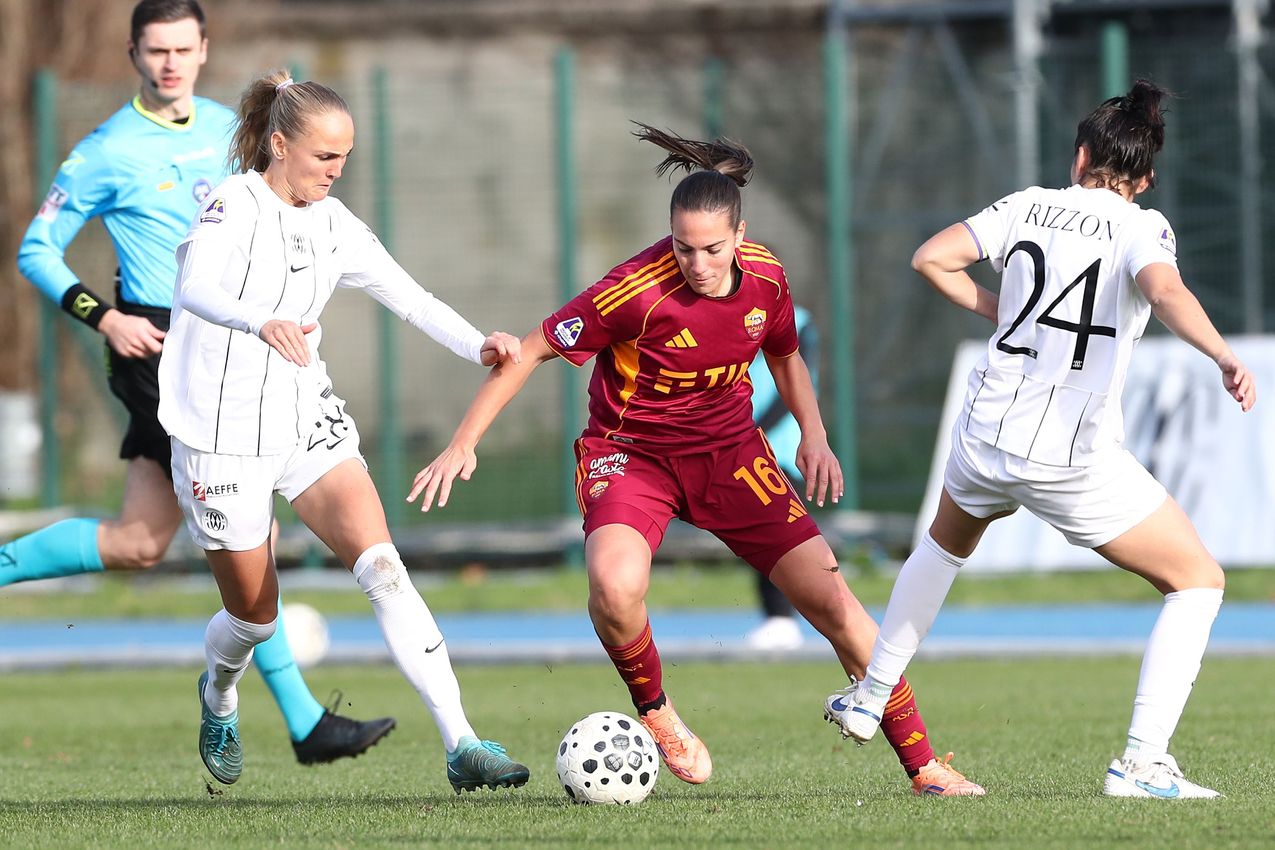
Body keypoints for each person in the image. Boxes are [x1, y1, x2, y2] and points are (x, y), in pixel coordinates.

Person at [409, 124, 984, 796]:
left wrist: (814, 434)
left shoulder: (766, 276)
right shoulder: (633, 290)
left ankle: (925, 768)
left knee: (834, 603)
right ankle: (656, 711)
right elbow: (530, 350)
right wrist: (464, 441)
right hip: (631, 457)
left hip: (730, 452)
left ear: (739, 236)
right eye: (683, 247)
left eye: (712, 248)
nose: (697, 263)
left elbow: (785, 354)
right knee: (614, 589)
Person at [829, 81, 1255, 800]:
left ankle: (871, 695)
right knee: (1197, 582)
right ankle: (1142, 763)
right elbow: (1164, 292)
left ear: (1080, 156)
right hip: (1066, 453)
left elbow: (930, 258)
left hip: (985, 429)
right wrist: (1221, 353)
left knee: (941, 548)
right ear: (1145, 176)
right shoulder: (1142, 227)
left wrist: (1000, 311)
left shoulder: (1025, 204)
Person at [10, 0, 394, 766]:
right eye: (156, 50)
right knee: (253, 533)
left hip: (235, 344)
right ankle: (303, 721)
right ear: (133, 53)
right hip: (158, 348)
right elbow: (36, 249)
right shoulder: (105, 150)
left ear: (204, 50)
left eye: (183, 49)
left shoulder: (231, 129)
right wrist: (103, 318)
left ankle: (298, 720)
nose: (170, 63)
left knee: (140, 540)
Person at [158, 68, 530, 792]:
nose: (335, 170)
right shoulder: (233, 203)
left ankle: (462, 743)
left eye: (345, 158)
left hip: (303, 418)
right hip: (218, 435)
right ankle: (219, 693)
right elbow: (196, 287)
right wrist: (257, 320)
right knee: (254, 619)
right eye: (324, 156)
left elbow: (410, 298)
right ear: (279, 145)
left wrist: (476, 344)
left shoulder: (334, 223)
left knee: (383, 567)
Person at [744, 304, 817, 651]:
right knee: (756, 535)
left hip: (781, 449)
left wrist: (751, 432)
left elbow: (793, 386)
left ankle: (783, 618)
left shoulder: (797, 322)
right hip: (739, 446)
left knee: (780, 535)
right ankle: (775, 617)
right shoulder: (724, 311)